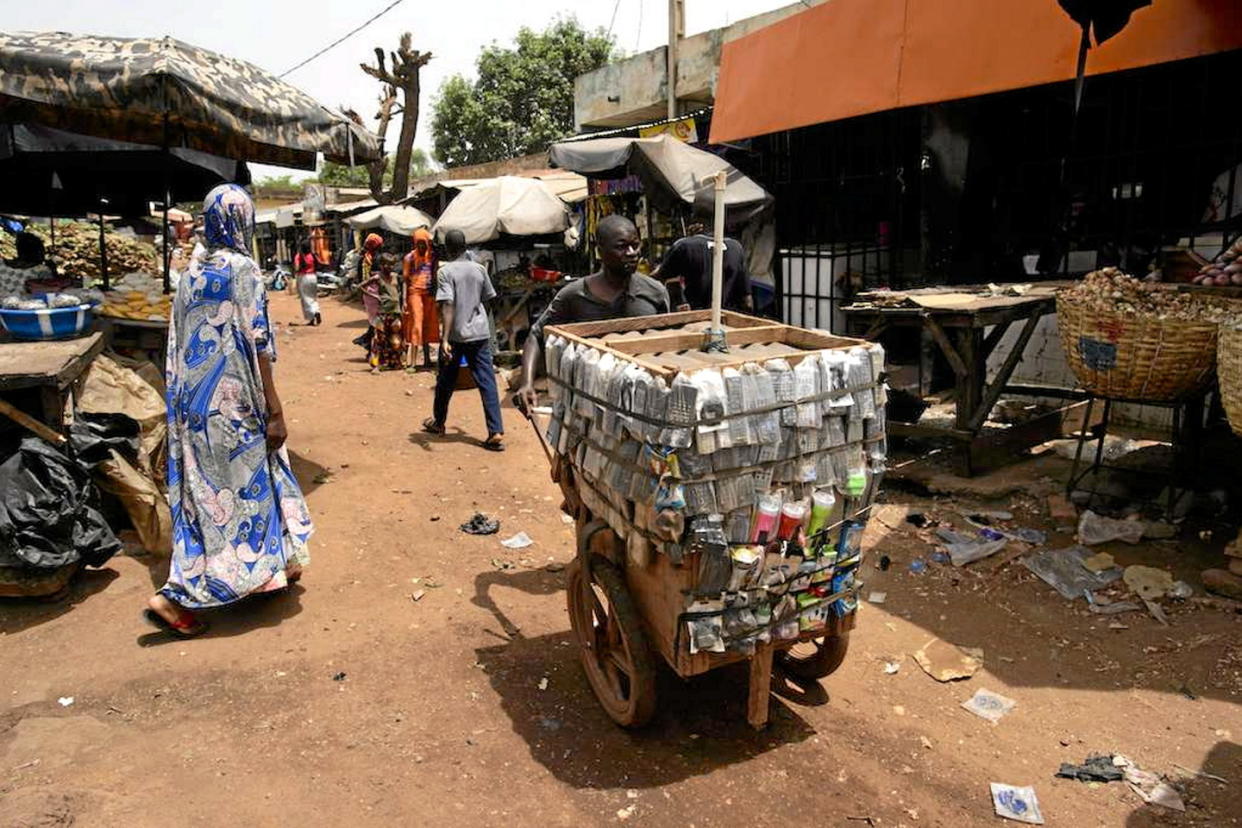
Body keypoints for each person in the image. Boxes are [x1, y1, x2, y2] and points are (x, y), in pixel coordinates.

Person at [144, 183, 313, 638]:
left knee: (208, 497)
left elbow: (178, 345)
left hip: (193, 411)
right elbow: (258, 342)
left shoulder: (191, 273)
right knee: (247, 488)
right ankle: (175, 594)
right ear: (242, 221)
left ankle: (273, 567)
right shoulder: (244, 269)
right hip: (236, 406)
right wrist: (274, 409)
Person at [518, 214, 670, 410]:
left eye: (635, 245)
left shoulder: (655, 292)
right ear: (600, 251)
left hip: (644, 401)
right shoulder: (574, 295)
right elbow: (536, 336)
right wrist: (526, 384)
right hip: (591, 404)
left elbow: (669, 342)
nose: (632, 253)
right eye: (621, 246)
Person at [422, 229, 504, 451]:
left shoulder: (445, 272)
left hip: (456, 335)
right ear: (465, 245)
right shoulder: (479, 269)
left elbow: (447, 304)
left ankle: (438, 422)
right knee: (487, 382)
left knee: (445, 382)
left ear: (448, 248)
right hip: (479, 333)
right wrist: (477, 317)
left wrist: (446, 338)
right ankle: (495, 431)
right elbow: (490, 299)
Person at [655, 220, 752, 312]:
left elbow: (660, 279)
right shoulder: (736, 247)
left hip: (694, 318)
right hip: (726, 319)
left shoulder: (683, 245)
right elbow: (747, 302)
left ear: (697, 224)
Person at [402, 227, 440, 367]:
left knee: (428, 325)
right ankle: (412, 363)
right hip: (415, 293)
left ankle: (427, 360)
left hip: (429, 293)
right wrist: (405, 301)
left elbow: (435, 275)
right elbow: (405, 280)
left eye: (423, 243)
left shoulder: (433, 256)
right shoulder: (409, 258)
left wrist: (436, 294)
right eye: (419, 243)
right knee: (416, 324)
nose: (421, 246)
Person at [369, 253, 406, 371]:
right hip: (382, 313)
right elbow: (361, 286)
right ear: (381, 265)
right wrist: (375, 296)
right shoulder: (377, 277)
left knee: (395, 340)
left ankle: (394, 362)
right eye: (385, 264)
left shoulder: (395, 277)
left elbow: (405, 282)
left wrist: (403, 299)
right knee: (379, 339)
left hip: (395, 312)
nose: (388, 267)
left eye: (391, 265)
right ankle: (376, 365)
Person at [353, 233, 384, 353]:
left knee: (374, 320)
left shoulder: (363, 260)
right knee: (379, 321)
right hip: (377, 293)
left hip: (367, 294)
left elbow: (360, 279)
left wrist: (362, 294)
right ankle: (372, 345)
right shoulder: (378, 259)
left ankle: (369, 343)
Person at [293, 239, 321, 326]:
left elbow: (297, 268)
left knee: (306, 298)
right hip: (313, 277)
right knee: (313, 297)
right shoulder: (312, 256)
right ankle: (316, 311)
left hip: (303, 277)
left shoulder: (299, 256)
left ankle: (312, 314)